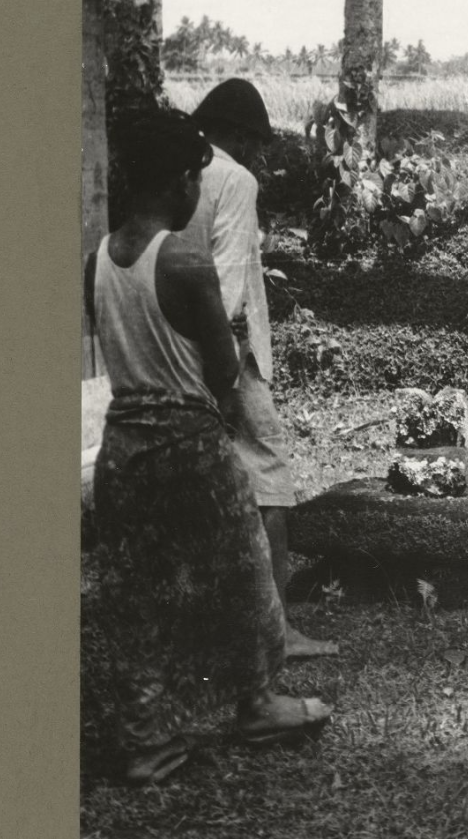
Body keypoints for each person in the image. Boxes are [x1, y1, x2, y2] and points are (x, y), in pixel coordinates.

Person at [85, 111, 333, 785]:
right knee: (244, 574)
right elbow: (223, 370)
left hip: (122, 448)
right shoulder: (184, 262)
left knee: (137, 595)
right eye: (195, 179)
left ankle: (148, 740)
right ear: (178, 181)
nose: (198, 191)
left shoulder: (96, 262)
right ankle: (258, 703)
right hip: (188, 444)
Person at [185, 78, 336, 659]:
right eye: (255, 142)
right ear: (241, 137)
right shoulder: (235, 180)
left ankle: (216, 620)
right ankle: (277, 629)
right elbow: (226, 282)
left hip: (178, 344)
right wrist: (222, 370)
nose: (257, 154)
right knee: (269, 474)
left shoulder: (182, 174)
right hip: (225, 350)